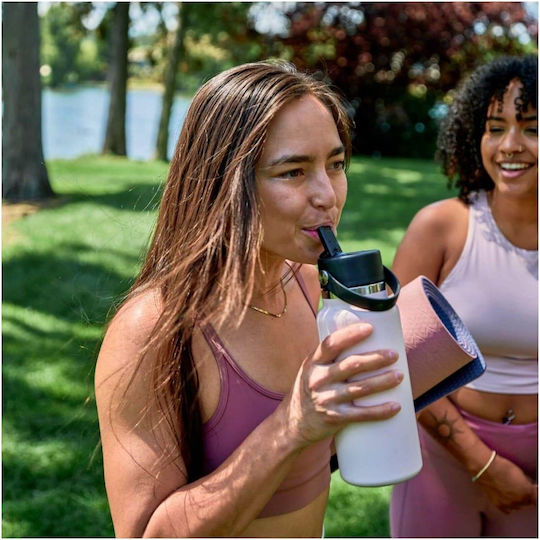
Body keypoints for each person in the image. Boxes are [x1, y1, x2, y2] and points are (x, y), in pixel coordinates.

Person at [95, 61, 405, 538]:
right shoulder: (150, 330)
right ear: (223, 182)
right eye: (293, 172)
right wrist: (292, 424)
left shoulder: (311, 288)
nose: (328, 195)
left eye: (336, 164)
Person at [390, 55, 538, 537]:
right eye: (495, 128)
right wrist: (484, 464)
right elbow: (395, 359)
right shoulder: (441, 228)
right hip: (443, 457)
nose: (509, 146)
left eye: (531, 128)